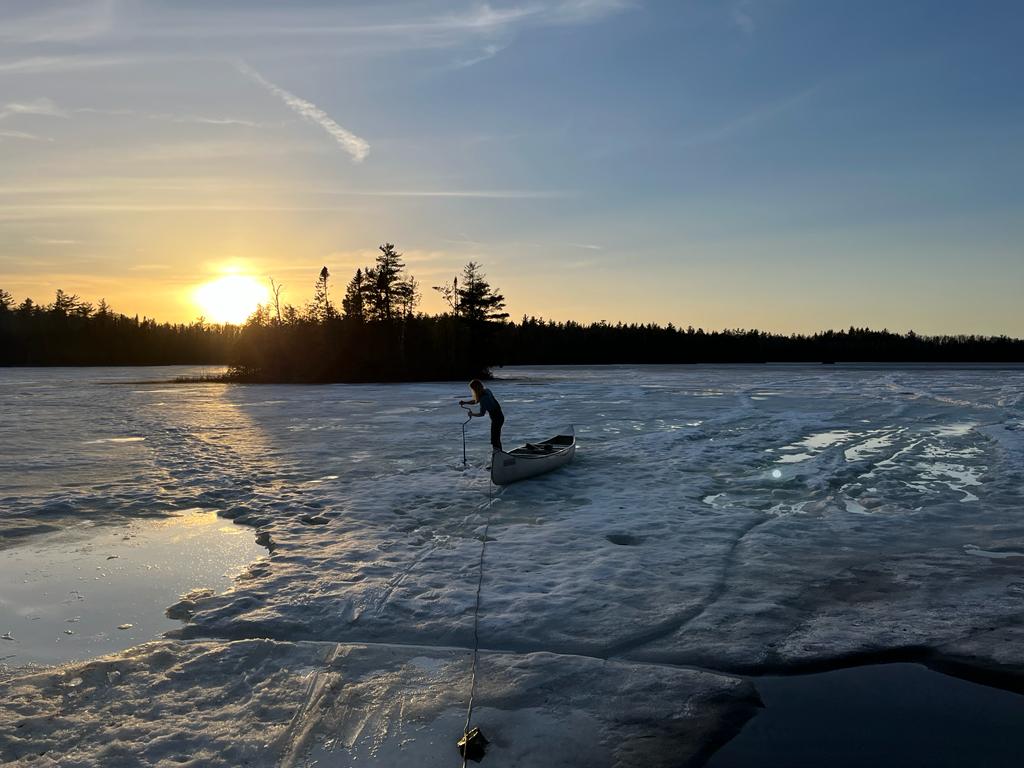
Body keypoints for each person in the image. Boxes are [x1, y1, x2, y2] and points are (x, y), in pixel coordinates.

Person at [460, 379, 504, 452]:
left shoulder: (484, 398)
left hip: (497, 418)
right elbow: (475, 401)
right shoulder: (487, 391)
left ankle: (498, 454)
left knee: (494, 438)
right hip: (500, 417)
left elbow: (481, 414)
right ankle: (498, 453)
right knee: (495, 437)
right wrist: (465, 402)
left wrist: (471, 414)